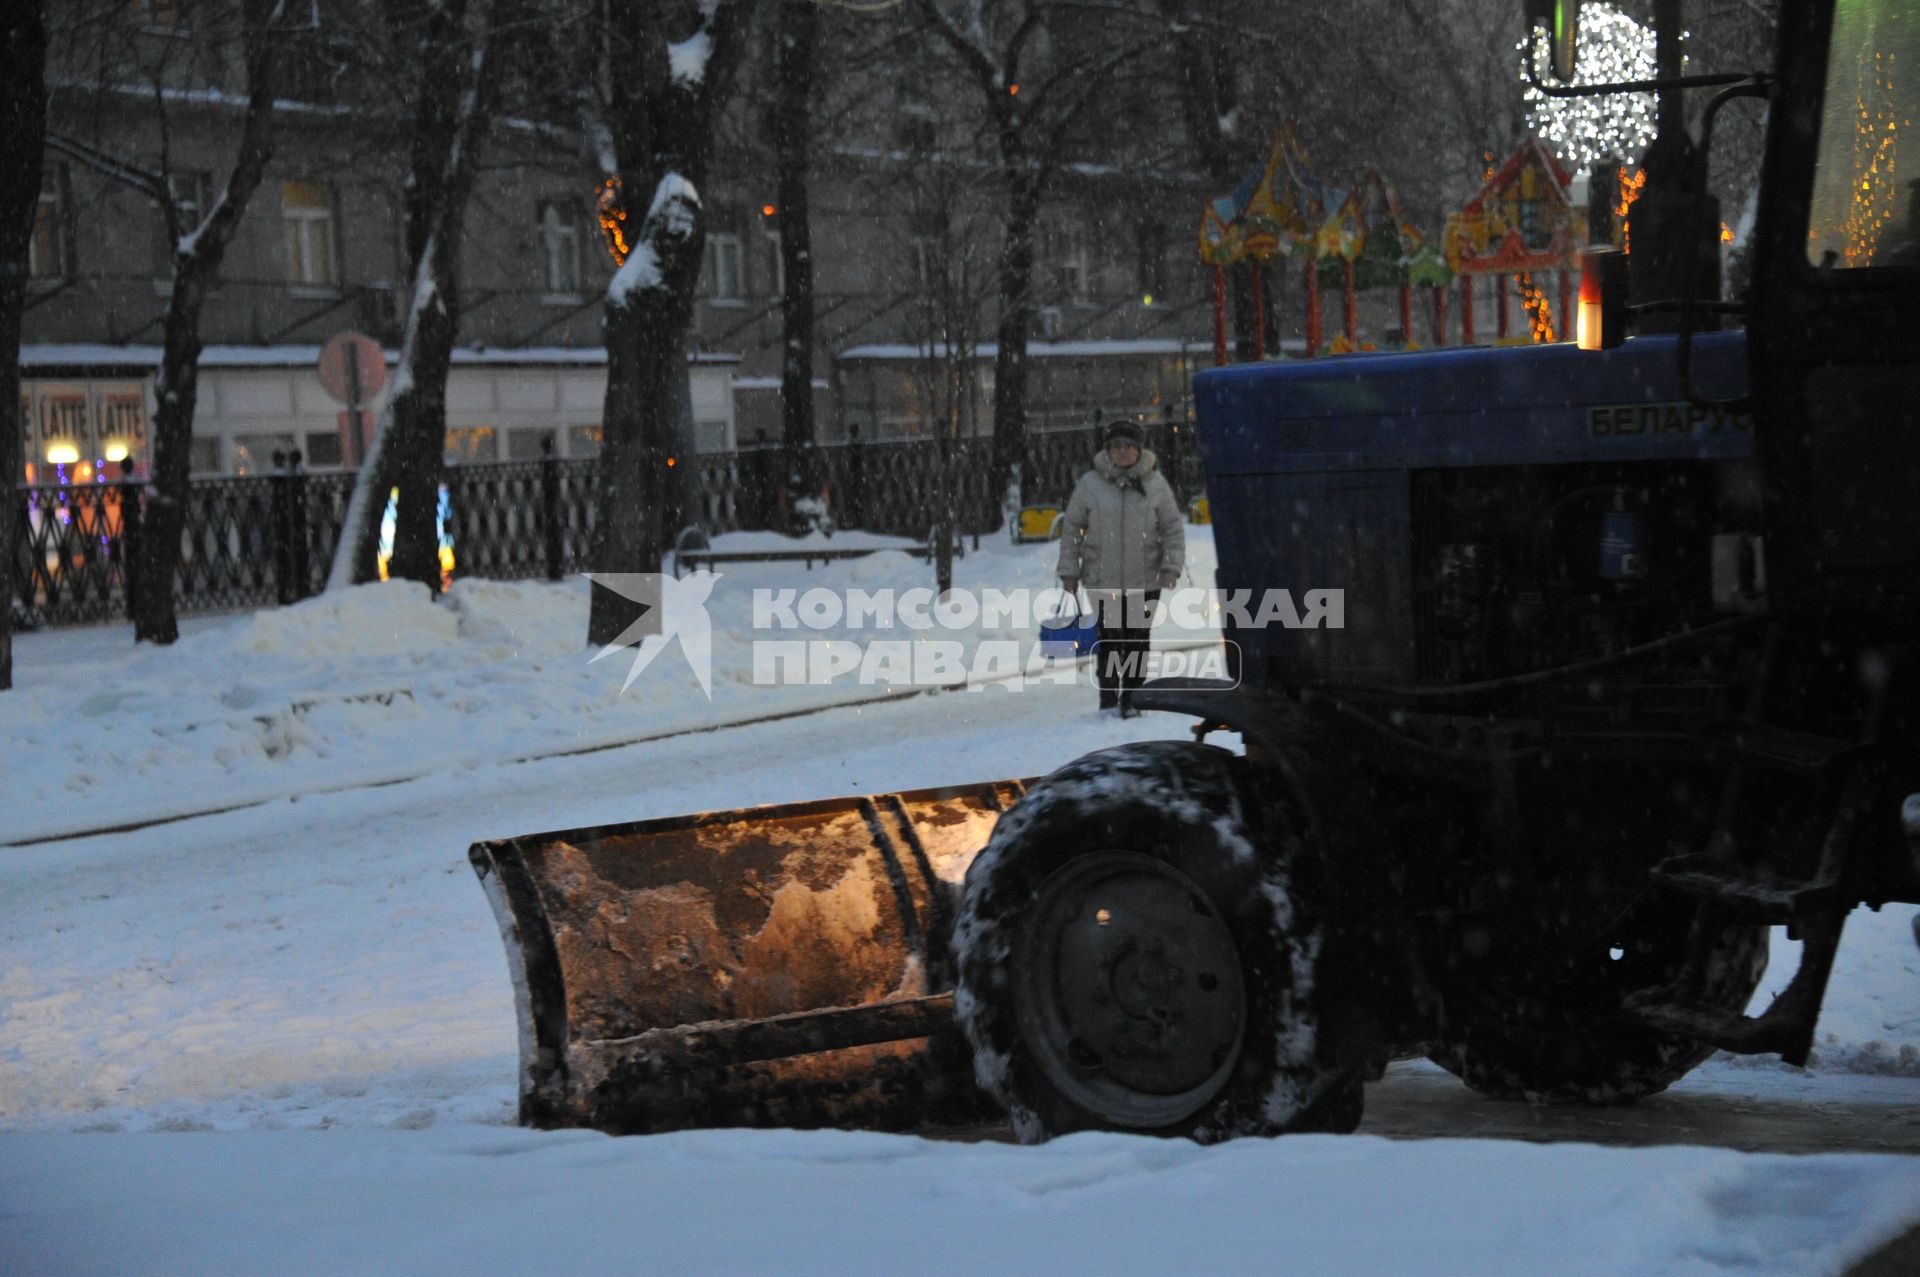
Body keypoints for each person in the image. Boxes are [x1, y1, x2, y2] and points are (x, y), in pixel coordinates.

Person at [1056, 418, 1185, 718]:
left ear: (1138, 450)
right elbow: (1072, 528)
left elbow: (1172, 528)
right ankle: (1109, 696)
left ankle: (1133, 697)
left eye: (1128, 446)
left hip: (1146, 578)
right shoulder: (1091, 484)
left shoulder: (1155, 484)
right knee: (1111, 639)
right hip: (1104, 579)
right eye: (1116, 446)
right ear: (1108, 450)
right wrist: (1069, 571)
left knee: (1138, 639)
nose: (1122, 452)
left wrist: (1171, 566)